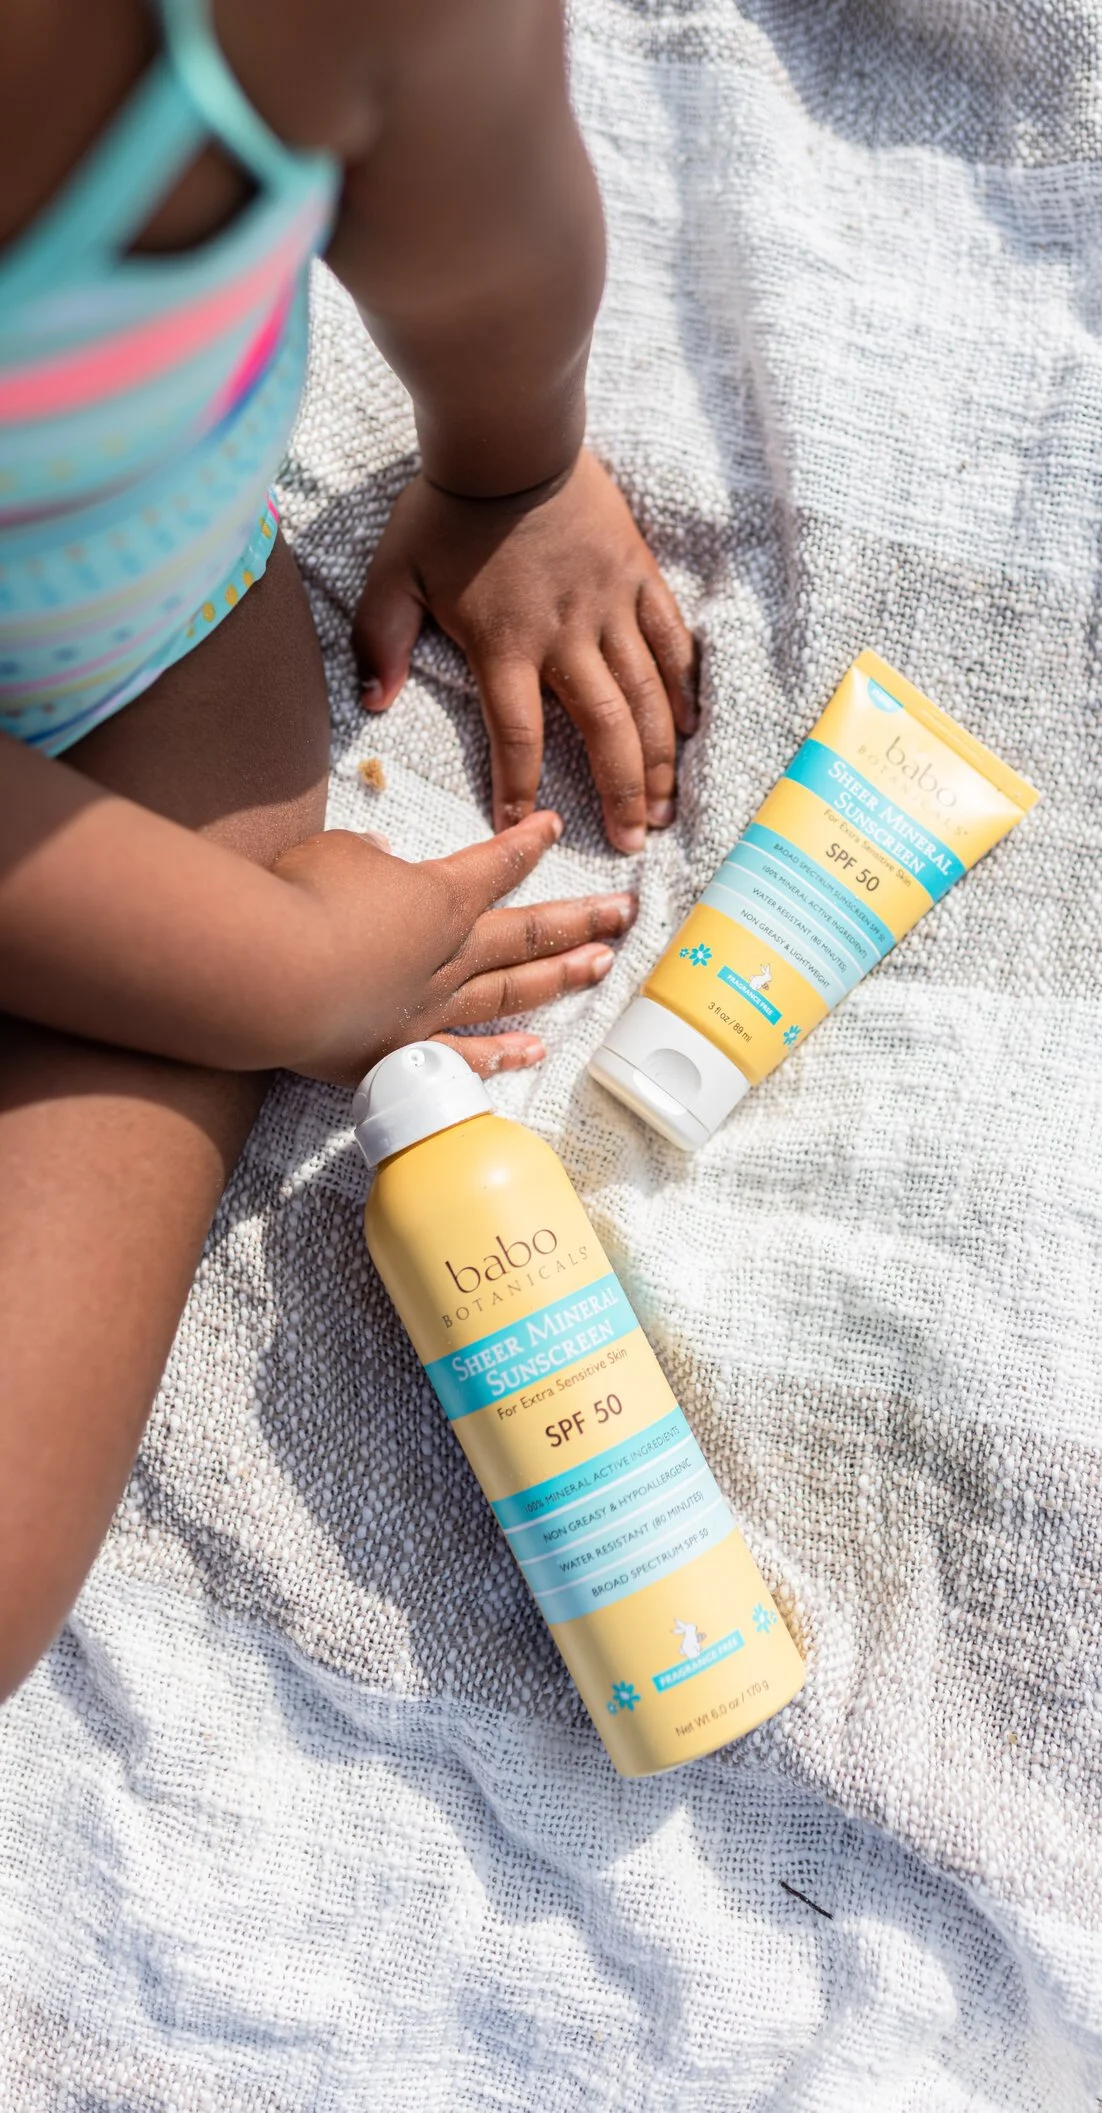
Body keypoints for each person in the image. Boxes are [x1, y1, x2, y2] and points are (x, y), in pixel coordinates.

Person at [0, 0, 699, 1698]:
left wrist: (513, 478)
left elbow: (486, 235)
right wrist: (287, 972)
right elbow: (491, 227)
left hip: (138, 692)